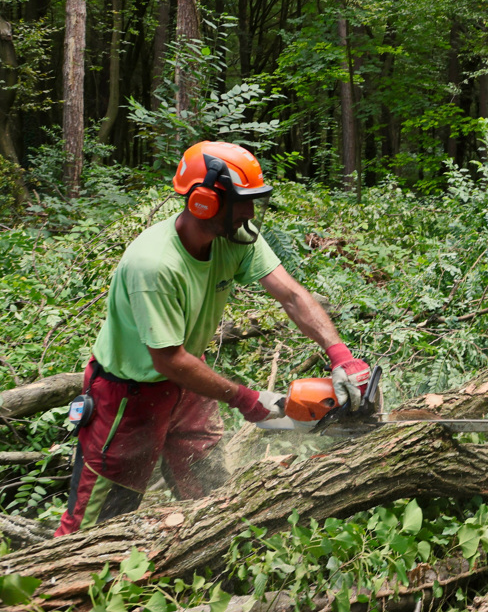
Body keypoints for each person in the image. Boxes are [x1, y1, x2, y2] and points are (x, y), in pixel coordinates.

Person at [55, 140, 370, 536]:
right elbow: (167, 359)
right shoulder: (153, 265)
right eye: (243, 202)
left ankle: (209, 565)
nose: (251, 213)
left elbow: (291, 295)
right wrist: (244, 398)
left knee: (212, 493)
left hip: (189, 387)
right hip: (129, 397)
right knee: (99, 521)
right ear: (205, 201)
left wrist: (339, 353)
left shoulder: (234, 237)